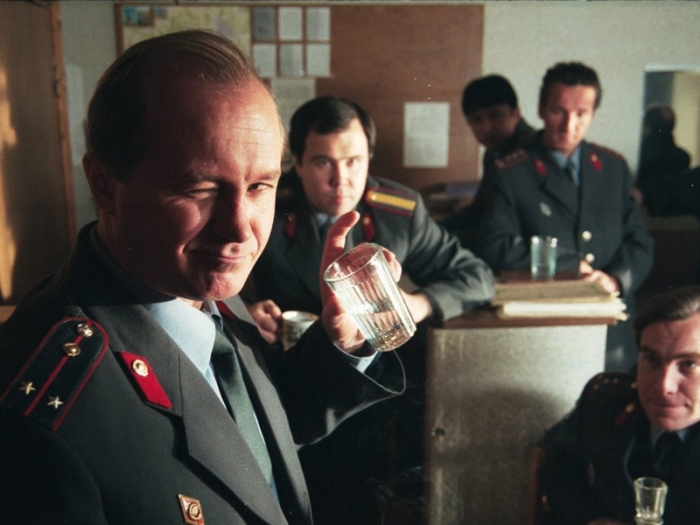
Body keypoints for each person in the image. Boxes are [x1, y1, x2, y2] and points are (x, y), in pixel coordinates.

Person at [0, 30, 406, 524]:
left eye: (259, 186)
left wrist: (339, 342)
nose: (239, 230)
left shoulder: (200, 284)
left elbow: (245, 437)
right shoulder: (40, 412)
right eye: (200, 189)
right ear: (104, 186)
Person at [244, 95, 495, 525]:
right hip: (292, 388)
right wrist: (248, 310)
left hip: (373, 397)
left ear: (369, 158)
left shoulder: (398, 210)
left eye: (354, 161)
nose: (341, 179)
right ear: (297, 163)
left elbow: (476, 276)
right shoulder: (265, 204)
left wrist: (415, 304)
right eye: (323, 162)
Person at [476, 61, 654, 371]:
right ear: (541, 109)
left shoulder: (612, 168)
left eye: (581, 114)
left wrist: (615, 279)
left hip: (610, 329)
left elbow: (639, 240)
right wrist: (570, 264)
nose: (569, 125)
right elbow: (495, 244)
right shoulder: (511, 172)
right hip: (546, 327)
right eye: (559, 111)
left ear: (593, 114)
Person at [538, 285, 700, 525]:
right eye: (651, 359)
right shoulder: (606, 399)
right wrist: (592, 519)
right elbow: (559, 467)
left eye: (688, 364)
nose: (664, 386)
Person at [441, 74, 535, 252]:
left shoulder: (528, 155)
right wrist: (434, 227)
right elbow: (481, 210)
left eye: (495, 115)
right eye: (477, 119)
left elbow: (494, 231)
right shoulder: (495, 152)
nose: (487, 128)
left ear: (515, 113)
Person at [636, 104, 691, 212]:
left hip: (644, 212)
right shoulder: (683, 157)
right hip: (676, 215)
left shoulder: (639, 155)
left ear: (647, 127)